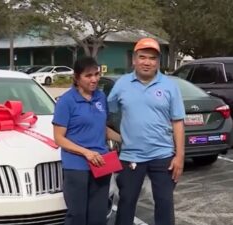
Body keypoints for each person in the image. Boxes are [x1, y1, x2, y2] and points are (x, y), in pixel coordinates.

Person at [108, 37, 185, 225]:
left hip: (163, 156)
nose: (147, 62)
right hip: (131, 155)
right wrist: (118, 138)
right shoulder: (121, 85)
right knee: (126, 203)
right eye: (142, 57)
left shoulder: (169, 87)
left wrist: (180, 157)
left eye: (152, 58)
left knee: (165, 204)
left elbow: (178, 123)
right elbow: (105, 113)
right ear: (134, 59)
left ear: (158, 62)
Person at [52, 56, 121, 225]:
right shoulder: (66, 101)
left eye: (97, 74)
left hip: (101, 163)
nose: (94, 79)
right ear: (76, 77)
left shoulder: (100, 97)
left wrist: (123, 139)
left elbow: (100, 128)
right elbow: (59, 138)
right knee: (77, 215)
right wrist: (86, 152)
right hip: (77, 167)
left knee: (98, 215)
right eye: (88, 76)